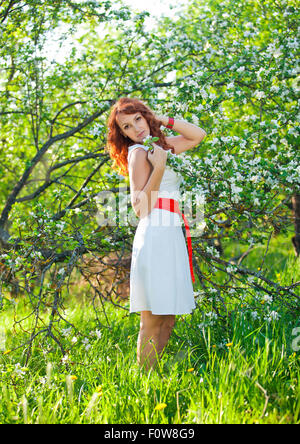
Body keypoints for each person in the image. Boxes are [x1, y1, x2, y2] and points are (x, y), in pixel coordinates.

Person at [106, 97, 207, 371]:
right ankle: (143, 382)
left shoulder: (163, 146)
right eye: (126, 127)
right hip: (154, 233)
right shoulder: (138, 153)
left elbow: (198, 135)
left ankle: (154, 378)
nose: (135, 129)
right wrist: (159, 169)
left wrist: (163, 120)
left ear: (145, 116)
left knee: (169, 316)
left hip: (172, 231)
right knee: (152, 318)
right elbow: (140, 208)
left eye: (137, 119)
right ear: (124, 135)